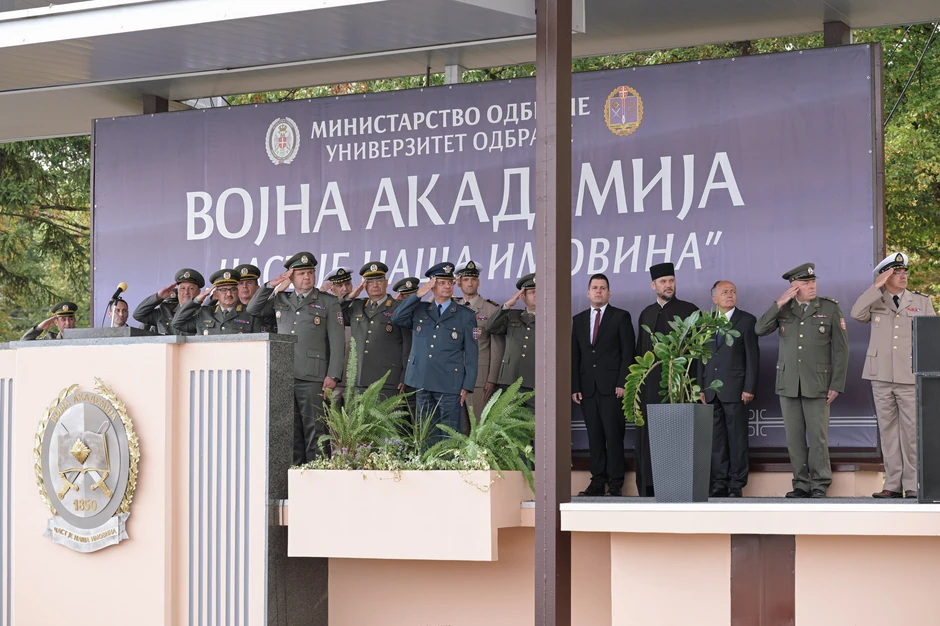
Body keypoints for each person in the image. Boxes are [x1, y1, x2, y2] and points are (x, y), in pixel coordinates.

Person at [755, 262, 849, 498]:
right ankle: (801, 484)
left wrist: (836, 384)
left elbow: (841, 350)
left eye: (813, 282)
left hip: (817, 383)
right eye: (806, 283)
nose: (811, 286)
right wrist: (779, 302)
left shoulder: (829, 308)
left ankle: (819, 484)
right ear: (793, 286)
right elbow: (759, 329)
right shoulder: (784, 308)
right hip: (788, 382)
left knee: (817, 437)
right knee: (794, 438)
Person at [247, 252, 346, 465]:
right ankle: (296, 477)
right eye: (301, 273)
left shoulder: (327, 302)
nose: (306, 277)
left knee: (315, 430)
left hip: (313, 376)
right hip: (284, 374)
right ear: (291, 277)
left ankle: (317, 475)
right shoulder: (281, 299)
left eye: (310, 272)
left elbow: (338, 343)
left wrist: (333, 375)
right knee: (291, 432)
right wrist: (271, 285)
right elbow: (253, 309)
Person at [850, 252, 934, 499]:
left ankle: (913, 484)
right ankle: (893, 484)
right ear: (885, 277)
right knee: (888, 431)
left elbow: (931, 337)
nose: (903, 276)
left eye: (904, 272)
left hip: (909, 375)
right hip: (881, 375)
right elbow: (856, 313)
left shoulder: (921, 301)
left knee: (911, 432)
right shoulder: (875, 300)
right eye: (896, 272)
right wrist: (875, 287)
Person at [391, 262, 478, 442]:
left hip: (450, 383)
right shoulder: (420, 309)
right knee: (426, 432)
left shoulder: (465, 315)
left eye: (450, 282)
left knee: (449, 433)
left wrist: (467, 385)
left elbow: (472, 353)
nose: (447, 286)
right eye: (441, 282)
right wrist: (418, 295)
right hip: (422, 379)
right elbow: (397, 318)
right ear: (432, 285)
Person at [634, 262, 698, 497]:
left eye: (671, 280)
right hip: (649, 387)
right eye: (663, 282)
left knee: (676, 435)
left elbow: (697, 353)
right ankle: (649, 487)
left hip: (678, 387)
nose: (668, 285)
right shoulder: (646, 313)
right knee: (649, 436)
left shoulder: (689, 310)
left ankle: (676, 487)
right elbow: (639, 352)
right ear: (654, 285)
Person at [571, 273, 636, 497]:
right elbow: (575, 354)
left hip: (613, 389)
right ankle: (597, 482)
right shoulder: (579, 319)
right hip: (588, 389)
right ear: (588, 293)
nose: (598, 291)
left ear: (609, 293)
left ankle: (616, 483)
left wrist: (623, 382)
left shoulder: (621, 317)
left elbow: (628, 352)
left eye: (603, 288)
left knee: (614, 436)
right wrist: (575, 386)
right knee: (595, 437)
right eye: (595, 287)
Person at [697, 280, 759, 498]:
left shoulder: (747, 320)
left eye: (733, 291)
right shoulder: (706, 322)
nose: (730, 295)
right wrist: (701, 387)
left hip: (736, 389)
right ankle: (719, 482)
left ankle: (736, 483)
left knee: (737, 438)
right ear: (714, 298)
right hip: (711, 390)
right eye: (725, 292)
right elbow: (700, 357)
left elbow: (752, 357)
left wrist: (749, 387)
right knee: (716, 440)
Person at [341, 262, 412, 398]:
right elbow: (335, 315)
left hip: (388, 380)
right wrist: (350, 297)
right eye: (370, 281)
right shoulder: (357, 306)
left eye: (379, 280)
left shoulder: (398, 308)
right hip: (359, 379)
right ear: (364, 285)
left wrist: (405, 375)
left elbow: (407, 345)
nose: (375, 285)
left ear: (386, 283)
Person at [455, 260, 505, 428]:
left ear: (479, 282)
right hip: (454, 375)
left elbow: (497, 348)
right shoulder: (452, 307)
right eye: (465, 279)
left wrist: (492, 379)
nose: (470, 283)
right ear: (458, 282)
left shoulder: (491, 310)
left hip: (479, 378)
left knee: (478, 426)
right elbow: (430, 306)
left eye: (474, 279)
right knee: (457, 428)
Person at [486, 273, 536, 410]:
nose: (536, 295)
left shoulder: (550, 319)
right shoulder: (512, 315)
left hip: (534, 380)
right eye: (532, 292)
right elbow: (491, 327)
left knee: (533, 420)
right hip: (509, 379)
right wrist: (507, 305)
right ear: (523, 297)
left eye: (539, 292)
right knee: (506, 418)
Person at [171, 269, 266, 335]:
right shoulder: (204, 313)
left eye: (232, 290)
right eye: (223, 290)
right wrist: (196, 301)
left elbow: (259, 344)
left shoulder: (251, 314)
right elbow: (177, 323)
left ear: (237, 291)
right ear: (216, 293)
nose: (228, 294)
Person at [133, 268, 204, 335]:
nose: (186, 292)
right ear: (178, 291)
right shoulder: (164, 311)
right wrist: (158, 297)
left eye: (191, 288)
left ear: (199, 292)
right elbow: (138, 315)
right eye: (182, 288)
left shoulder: (204, 313)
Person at [322, 267, 354, 404]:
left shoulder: (359, 307)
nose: (344, 289)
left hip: (353, 380)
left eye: (347, 284)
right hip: (330, 379)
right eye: (339, 285)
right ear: (331, 288)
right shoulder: (322, 309)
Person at [234, 263, 277, 332]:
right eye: (241, 283)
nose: (244, 286)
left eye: (249, 283)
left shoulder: (266, 308)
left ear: (258, 288)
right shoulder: (231, 310)